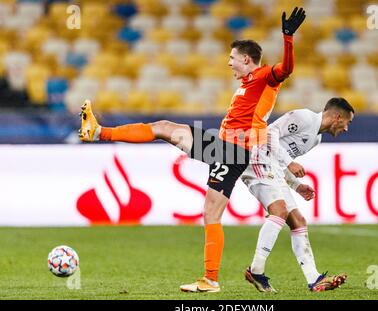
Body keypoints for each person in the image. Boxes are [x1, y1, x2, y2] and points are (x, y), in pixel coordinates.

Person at [78, 6, 307, 293]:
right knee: (164, 128)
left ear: (247, 60)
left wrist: (287, 38)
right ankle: (97, 131)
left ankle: (211, 279)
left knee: (211, 212)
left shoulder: (263, 77)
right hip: (225, 146)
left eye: (232, 58)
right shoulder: (248, 83)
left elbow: (286, 69)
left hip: (233, 150)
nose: (229, 63)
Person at [240, 97, 354, 292]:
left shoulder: (316, 139)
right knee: (279, 211)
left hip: (272, 168)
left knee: (298, 221)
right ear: (337, 117)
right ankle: (256, 269)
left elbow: (281, 160)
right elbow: (268, 133)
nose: (346, 129)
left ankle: (314, 279)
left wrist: (296, 185)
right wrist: (290, 163)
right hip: (256, 159)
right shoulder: (305, 117)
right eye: (347, 122)